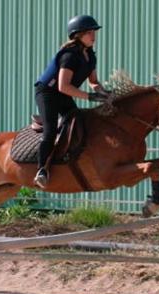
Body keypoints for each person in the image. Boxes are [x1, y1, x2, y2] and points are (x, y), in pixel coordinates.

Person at [33, 15, 110, 188]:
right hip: (47, 93)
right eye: (90, 32)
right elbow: (63, 86)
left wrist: (105, 93)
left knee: (79, 122)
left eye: (94, 32)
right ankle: (41, 170)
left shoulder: (90, 55)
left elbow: (94, 82)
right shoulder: (69, 56)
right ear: (78, 35)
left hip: (62, 93)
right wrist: (90, 97)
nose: (93, 36)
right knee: (51, 130)